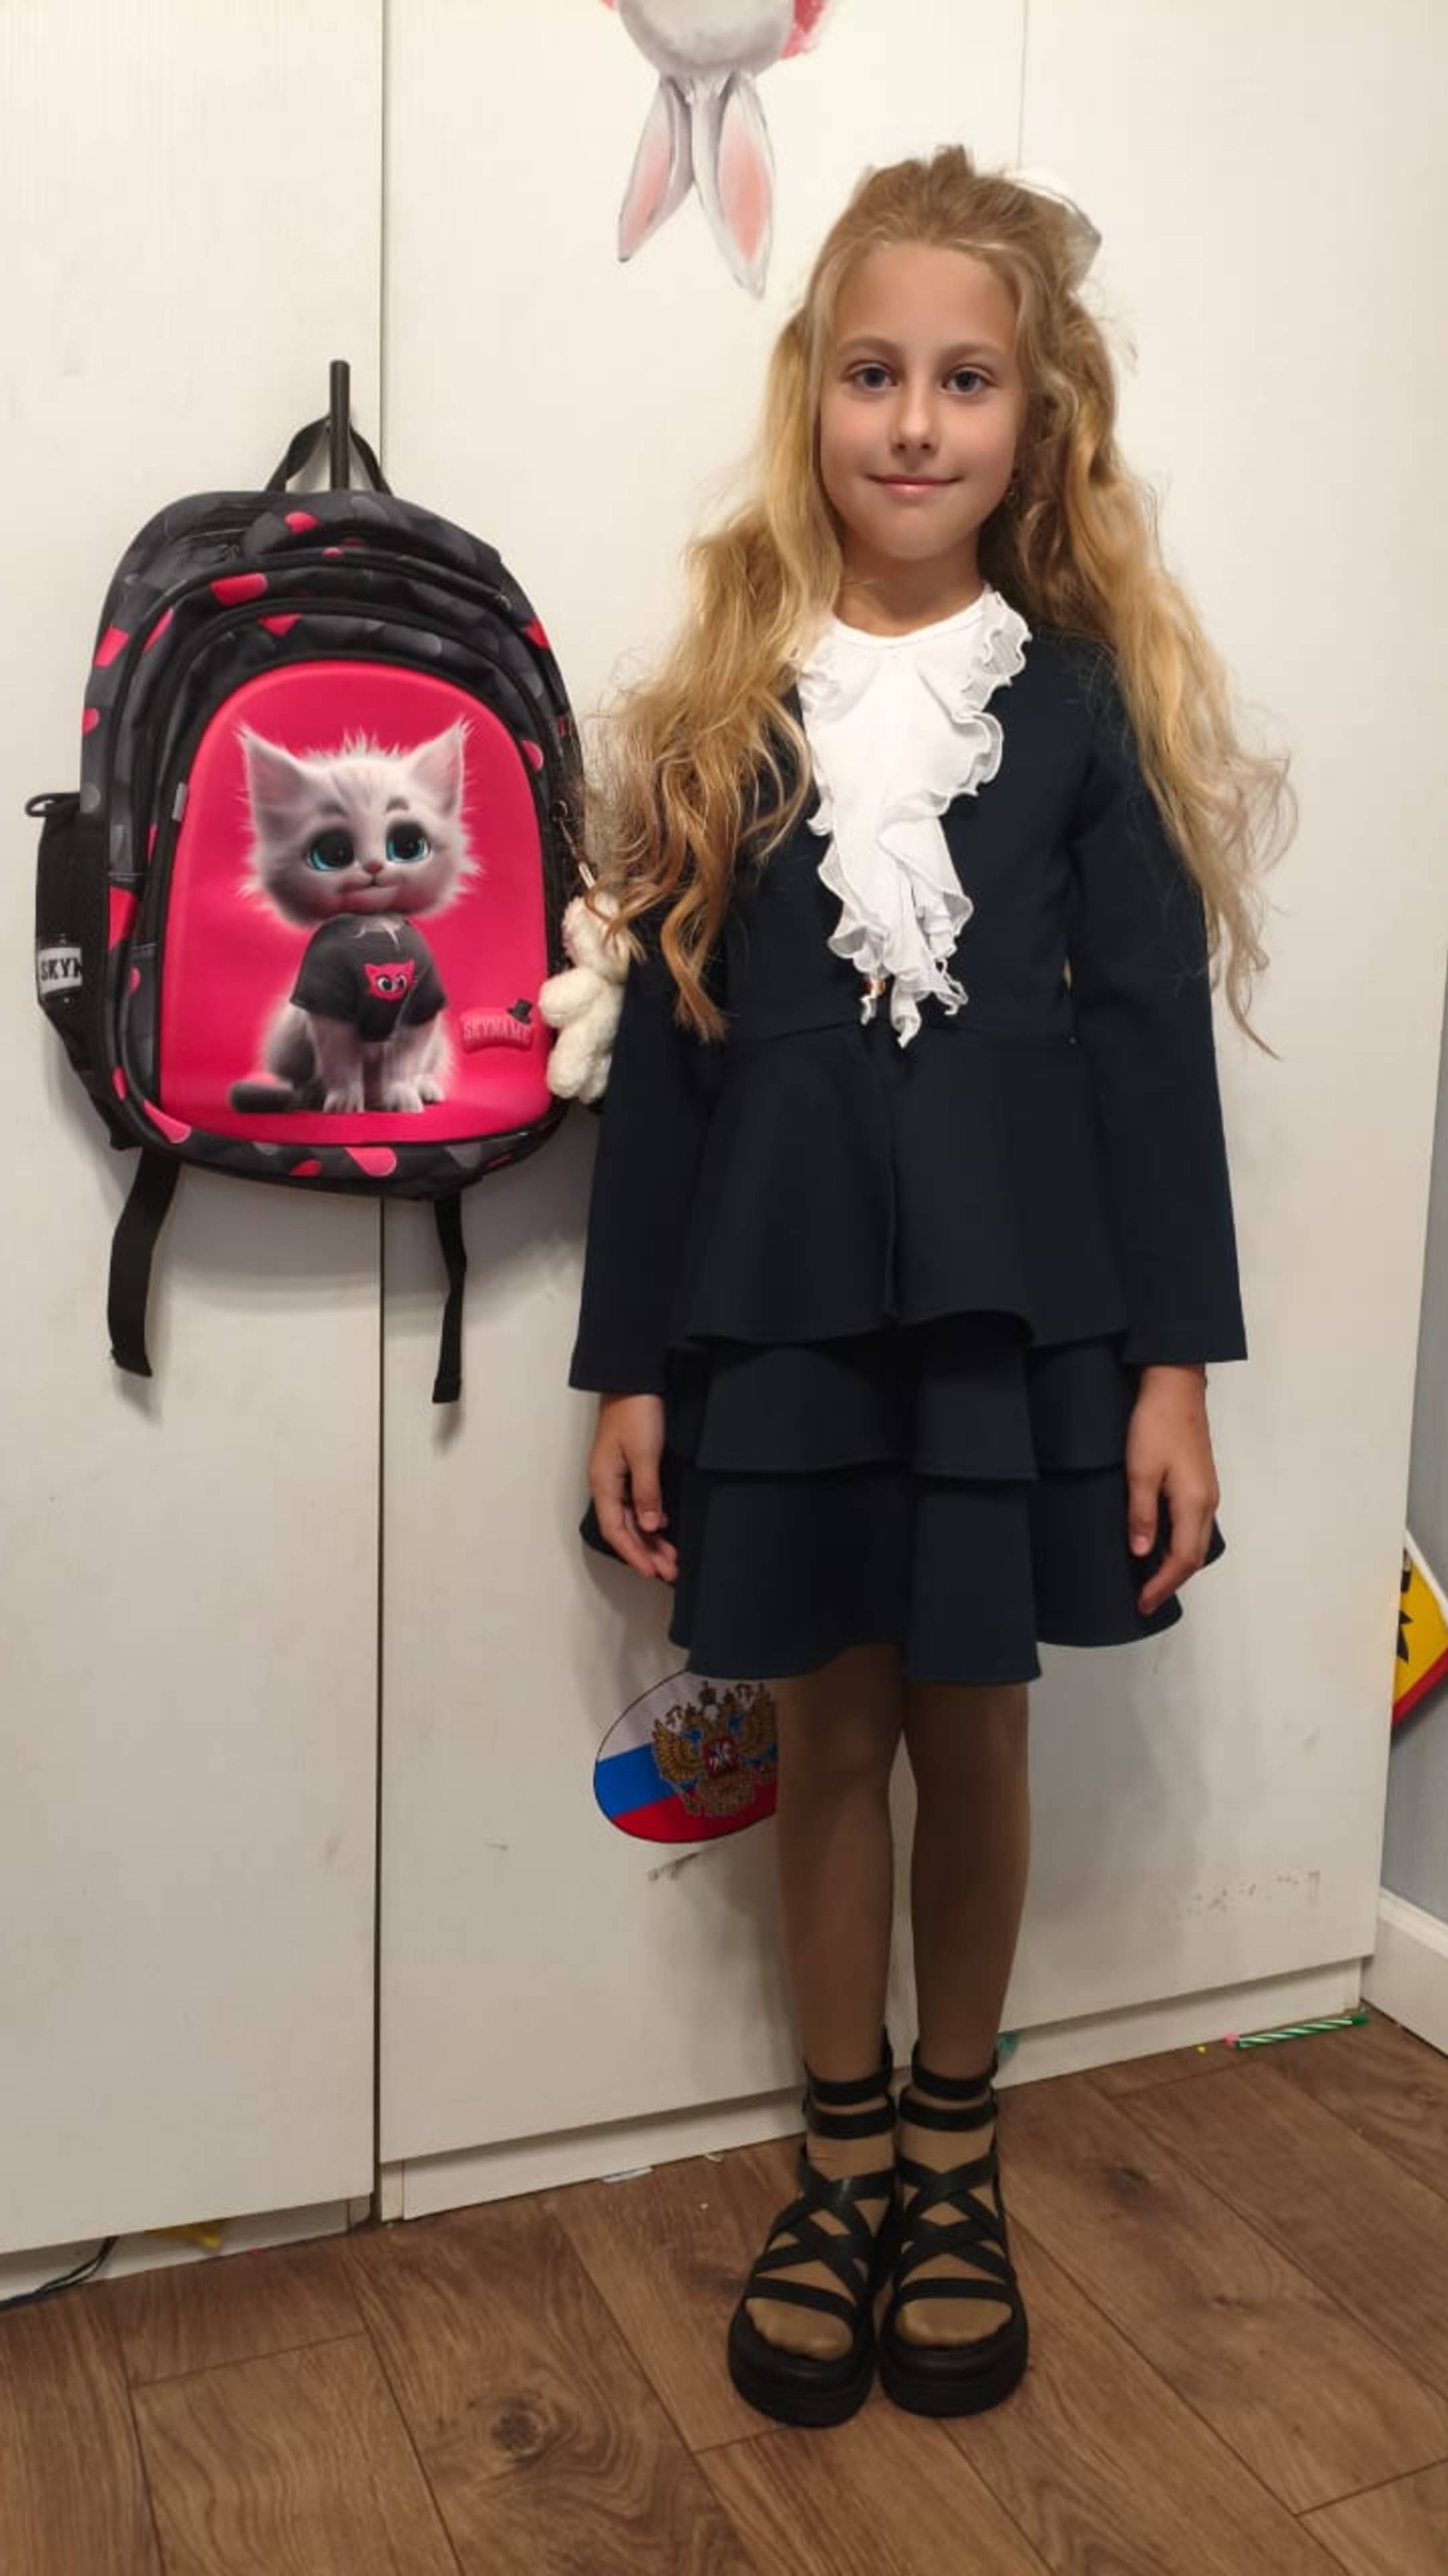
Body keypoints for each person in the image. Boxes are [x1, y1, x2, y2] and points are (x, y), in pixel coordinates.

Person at [551, 144, 1293, 2432]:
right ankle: (843, 2159)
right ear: (815, 395)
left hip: (1014, 1319)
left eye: (966, 380)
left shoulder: (1078, 708)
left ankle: (957, 2158)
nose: (913, 420)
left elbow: (1148, 1050)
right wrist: (630, 1368)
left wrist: (1172, 1373)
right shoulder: (726, 702)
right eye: (873, 372)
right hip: (775, 1324)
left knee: (978, 1724)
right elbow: (670, 1073)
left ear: (1037, 423)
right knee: (828, 1738)